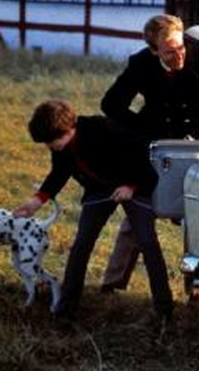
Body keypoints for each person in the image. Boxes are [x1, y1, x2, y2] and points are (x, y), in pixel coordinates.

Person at [98, 14, 199, 293]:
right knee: (140, 209)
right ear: (154, 50)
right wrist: (143, 128)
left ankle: (194, 290)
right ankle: (112, 284)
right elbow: (110, 104)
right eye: (170, 52)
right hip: (161, 144)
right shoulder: (141, 64)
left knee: (196, 216)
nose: (178, 55)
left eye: (181, 48)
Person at [13, 99, 174, 323]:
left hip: (135, 185)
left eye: (53, 141)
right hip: (99, 190)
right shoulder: (60, 147)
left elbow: (141, 153)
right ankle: (65, 310)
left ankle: (164, 311)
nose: (50, 146)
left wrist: (131, 186)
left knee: (147, 242)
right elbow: (59, 172)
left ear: (69, 129)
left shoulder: (103, 128)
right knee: (81, 244)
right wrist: (37, 200)